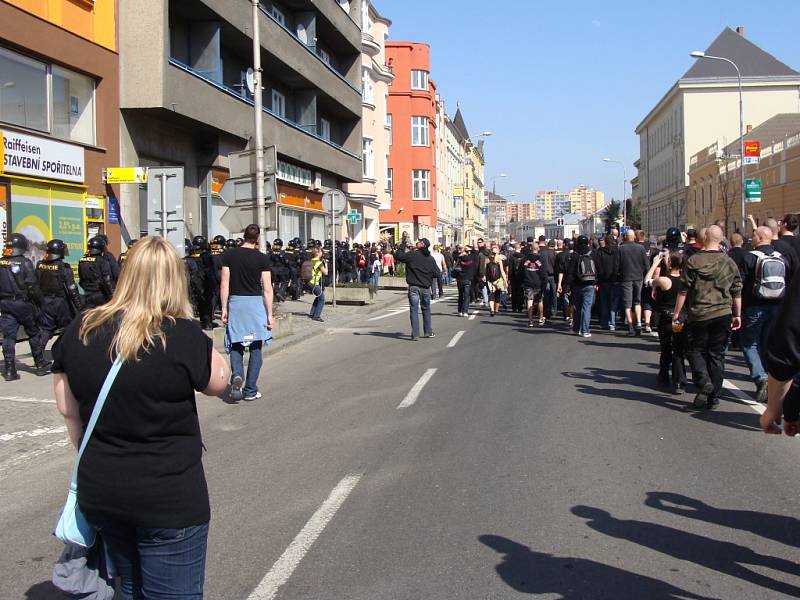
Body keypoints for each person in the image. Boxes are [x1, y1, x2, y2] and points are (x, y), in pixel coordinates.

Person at [53, 236, 230, 599]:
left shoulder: (82, 328)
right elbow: (219, 382)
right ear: (174, 281)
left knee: (129, 588)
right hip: (169, 499)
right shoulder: (180, 335)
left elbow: (67, 408)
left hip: (102, 490)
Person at [673, 226, 742, 410]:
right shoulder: (728, 262)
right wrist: (737, 314)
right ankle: (714, 397)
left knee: (695, 350)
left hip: (700, 313)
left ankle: (704, 382)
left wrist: (677, 313)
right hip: (723, 312)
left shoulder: (693, 260)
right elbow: (736, 290)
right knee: (717, 355)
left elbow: (684, 289)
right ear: (720, 239)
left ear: (704, 239)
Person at [220, 224, 274, 402]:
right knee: (256, 347)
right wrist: (269, 314)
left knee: (236, 344)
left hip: (236, 303)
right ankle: (250, 390)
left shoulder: (229, 255)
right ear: (257, 238)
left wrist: (224, 309)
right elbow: (267, 289)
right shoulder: (262, 258)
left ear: (243, 236)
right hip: (255, 305)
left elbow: (224, 284)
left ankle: (237, 375)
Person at [737, 226, 788, 403]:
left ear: (759, 238)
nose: (751, 238)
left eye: (753, 236)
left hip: (754, 306)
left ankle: (761, 378)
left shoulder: (749, 257)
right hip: (777, 306)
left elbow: (740, 283)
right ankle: (772, 383)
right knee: (768, 344)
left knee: (749, 343)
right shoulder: (781, 257)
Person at [0, 233, 51, 380]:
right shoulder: (25, 262)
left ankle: (10, 370)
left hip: (6, 304)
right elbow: (32, 286)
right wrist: (40, 302)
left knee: (9, 337)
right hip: (23, 304)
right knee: (33, 333)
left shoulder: (1, 262)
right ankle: (40, 364)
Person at [645, 250, 687, 394]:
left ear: (669, 264)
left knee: (665, 346)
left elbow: (647, 280)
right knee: (678, 347)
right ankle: (679, 379)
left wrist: (655, 262)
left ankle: (664, 375)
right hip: (680, 316)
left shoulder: (664, 280)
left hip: (666, 316)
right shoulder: (685, 279)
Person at [36, 239, 85, 351]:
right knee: (68, 327)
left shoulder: (40, 265)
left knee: (46, 328)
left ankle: (38, 353)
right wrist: (79, 307)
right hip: (60, 302)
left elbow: (35, 283)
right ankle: (67, 351)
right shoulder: (64, 267)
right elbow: (72, 288)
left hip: (45, 301)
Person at [395, 237, 439, 340]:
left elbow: (399, 256)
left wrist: (402, 245)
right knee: (426, 309)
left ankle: (415, 334)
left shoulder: (413, 255)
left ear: (422, 245)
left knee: (414, 310)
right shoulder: (430, 259)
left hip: (413, 287)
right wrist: (428, 275)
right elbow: (438, 273)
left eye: (419, 242)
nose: (416, 242)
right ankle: (428, 332)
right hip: (425, 288)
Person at [618, 230, 649, 336]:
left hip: (626, 278)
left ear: (625, 237)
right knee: (637, 301)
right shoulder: (641, 248)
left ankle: (631, 327)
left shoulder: (621, 248)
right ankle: (639, 323)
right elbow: (646, 264)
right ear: (634, 237)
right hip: (639, 277)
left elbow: (618, 264)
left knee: (627, 303)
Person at [566, 235, 597, 338]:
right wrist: (596, 281)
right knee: (586, 307)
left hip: (577, 285)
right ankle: (585, 330)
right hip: (589, 284)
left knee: (577, 307)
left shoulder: (575, 255)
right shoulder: (592, 254)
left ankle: (577, 328)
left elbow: (570, 272)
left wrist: (568, 286)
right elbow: (597, 269)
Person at [79, 236, 116, 308]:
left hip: (87, 294)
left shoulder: (82, 261)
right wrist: (112, 295)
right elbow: (107, 280)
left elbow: (81, 280)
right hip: (100, 295)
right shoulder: (102, 260)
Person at [595, 234, 621, 331]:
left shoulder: (600, 252)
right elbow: (618, 264)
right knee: (613, 302)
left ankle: (604, 322)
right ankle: (612, 323)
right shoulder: (618, 251)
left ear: (605, 242)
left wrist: (599, 278)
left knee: (604, 302)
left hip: (603, 280)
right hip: (615, 279)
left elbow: (598, 266)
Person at [518, 245, 546, 327]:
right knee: (540, 300)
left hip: (528, 282)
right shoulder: (541, 259)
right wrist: (544, 282)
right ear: (538, 249)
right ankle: (540, 318)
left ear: (530, 249)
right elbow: (544, 273)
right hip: (538, 283)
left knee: (529, 300)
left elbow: (520, 272)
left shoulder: (524, 259)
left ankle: (530, 320)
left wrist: (522, 281)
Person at [454, 245, 478, 317]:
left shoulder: (459, 258)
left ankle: (460, 311)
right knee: (467, 296)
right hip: (468, 278)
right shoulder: (472, 257)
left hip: (460, 278)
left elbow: (455, 266)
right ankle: (465, 311)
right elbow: (476, 252)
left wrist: (463, 251)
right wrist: (470, 249)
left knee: (461, 295)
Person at [307, 246, 328, 322]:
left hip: (309, 282)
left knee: (318, 297)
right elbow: (325, 272)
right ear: (318, 253)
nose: (322, 253)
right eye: (321, 252)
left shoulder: (311, 260)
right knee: (322, 299)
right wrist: (325, 264)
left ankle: (312, 313)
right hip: (314, 283)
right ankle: (316, 316)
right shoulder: (319, 263)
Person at [485, 245, 508, 317]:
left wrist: (484, 278)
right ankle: (496, 310)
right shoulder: (499, 260)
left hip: (489, 281)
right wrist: (505, 281)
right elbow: (502, 271)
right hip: (497, 280)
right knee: (497, 295)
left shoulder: (487, 259)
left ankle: (492, 310)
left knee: (491, 295)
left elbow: (484, 270)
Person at [538, 240, 557, 320]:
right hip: (552, 275)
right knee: (554, 294)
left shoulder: (541, 253)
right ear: (554, 246)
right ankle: (554, 310)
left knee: (545, 294)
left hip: (543, 275)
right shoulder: (555, 254)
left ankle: (546, 311)